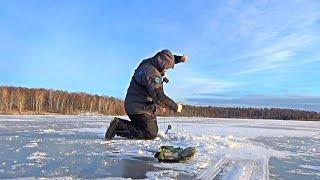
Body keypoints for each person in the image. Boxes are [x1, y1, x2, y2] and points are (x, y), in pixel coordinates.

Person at [105, 49, 187, 140]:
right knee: (150, 133)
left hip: (134, 104)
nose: (166, 70)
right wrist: (175, 107)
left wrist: (179, 59)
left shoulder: (148, 62)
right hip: (139, 108)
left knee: (151, 128)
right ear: (162, 64)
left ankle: (123, 126)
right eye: (166, 67)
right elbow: (159, 98)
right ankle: (119, 126)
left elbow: (166, 58)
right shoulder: (153, 75)